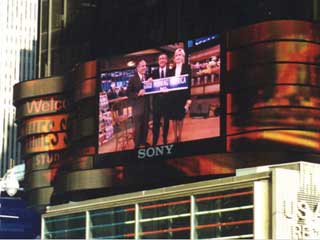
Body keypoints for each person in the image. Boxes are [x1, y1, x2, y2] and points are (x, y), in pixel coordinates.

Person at [167, 48, 191, 143]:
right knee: (173, 118)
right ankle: (175, 136)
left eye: (180, 55)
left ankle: (179, 136)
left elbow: (189, 84)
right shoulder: (170, 71)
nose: (178, 57)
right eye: (176, 55)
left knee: (180, 117)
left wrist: (188, 99)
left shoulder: (187, 68)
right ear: (174, 58)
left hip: (182, 97)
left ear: (183, 57)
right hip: (172, 97)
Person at [150, 53, 173, 145]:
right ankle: (154, 141)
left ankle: (164, 139)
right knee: (156, 122)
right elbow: (148, 84)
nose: (162, 60)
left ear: (166, 60)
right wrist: (149, 80)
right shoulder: (154, 72)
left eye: (163, 58)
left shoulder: (171, 72)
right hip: (157, 102)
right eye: (160, 59)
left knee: (166, 122)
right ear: (158, 61)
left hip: (167, 101)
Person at [127, 59, 149, 148]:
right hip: (137, 107)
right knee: (138, 127)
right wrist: (137, 94)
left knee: (145, 125)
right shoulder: (132, 79)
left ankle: (143, 142)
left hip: (146, 106)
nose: (144, 67)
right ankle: (136, 145)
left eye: (145, 65)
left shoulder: (147, 77)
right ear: (137, 68)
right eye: (142, 66)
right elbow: (127, 93)